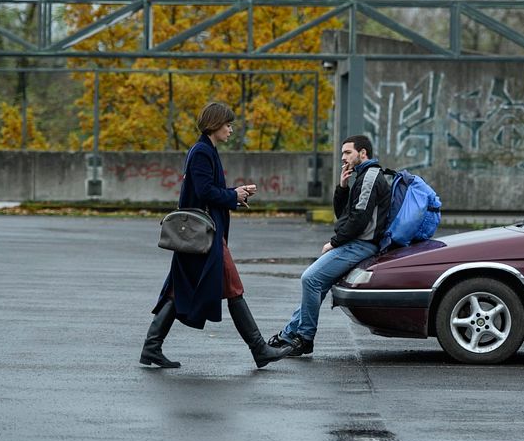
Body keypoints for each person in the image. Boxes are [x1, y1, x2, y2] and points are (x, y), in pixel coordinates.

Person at [139, 101, 292, 369]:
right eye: (228, 124)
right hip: (204, 235)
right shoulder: (201, 151)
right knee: (232, 288)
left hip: (200, 234)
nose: (231, 130)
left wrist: (236, 194)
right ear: (215, 124)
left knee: (180, 288)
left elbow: (209, 190)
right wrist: (233, 194)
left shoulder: (206, 149)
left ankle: (151, 347)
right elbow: (204, 191)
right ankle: (259, 349)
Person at [268, 134, 390, 356]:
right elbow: (343, 216)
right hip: (355, 242)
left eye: (347, 153)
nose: (343, 157)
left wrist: (334, 243)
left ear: (363, 153)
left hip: (362, 244)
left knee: (310, 279)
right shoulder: (360, 177)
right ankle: (289, 334)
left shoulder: (370, 177)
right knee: (316, 283)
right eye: (342, 152)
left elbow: (359, 219)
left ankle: (305, 338)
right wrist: (343, 187)